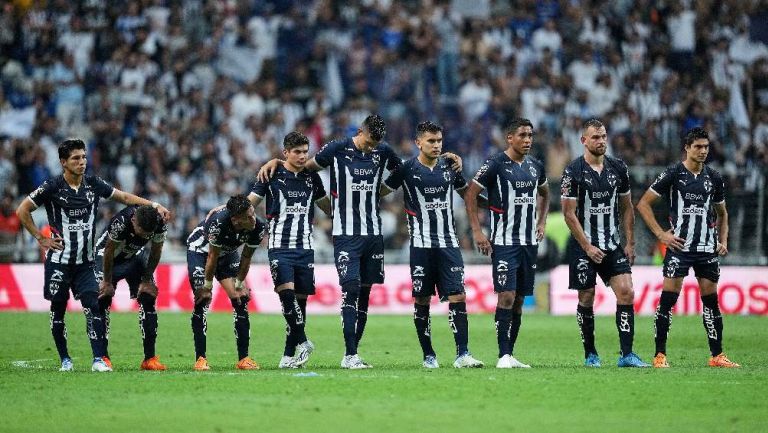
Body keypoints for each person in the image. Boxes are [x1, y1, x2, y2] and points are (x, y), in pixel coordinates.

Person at [258, 114, 462, 369]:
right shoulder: (336, 148)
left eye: (376, 144)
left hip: (373, 235)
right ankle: (350, 353)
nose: (372, 148)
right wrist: (278, 161)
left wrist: (442, 160)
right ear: (360, 132)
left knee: (364, 293)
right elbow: (303, 167)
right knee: (350, 289)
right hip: (345, 234)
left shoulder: (383, 151)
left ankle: (350, 354)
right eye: (369, 142)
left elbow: (411, 169)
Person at [15, 138, 170, 372]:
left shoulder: (93, 184)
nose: (82, 162)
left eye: (84, 157)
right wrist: (41, 237)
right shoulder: (52, 186)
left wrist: (154, 204)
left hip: (96, 261)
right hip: (76, 260)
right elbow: (22, 209)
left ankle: (123, 359)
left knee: (115, 304)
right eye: (76, 158)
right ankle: (82, 358)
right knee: (76, 307)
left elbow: (125, 197)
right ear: (63, 162)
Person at [380, 121, 484, 369]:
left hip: (448, 243)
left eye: (439, 141)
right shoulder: (406, 169)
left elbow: (467, 195)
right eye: (431, 141)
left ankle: (463, 354)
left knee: (458, 295)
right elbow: (380, 191)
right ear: (418, 143)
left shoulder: (450, 166)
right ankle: (429, 356)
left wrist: (495, 205)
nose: (437, 145)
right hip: (420, 246)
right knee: (422, 300)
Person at [636, 127, 739, 368]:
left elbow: (723, 213)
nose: (703, 151)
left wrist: (723, 241)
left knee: (711, 302)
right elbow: (643, 204)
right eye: (698, 147)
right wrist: (662, 234)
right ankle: (659, 355)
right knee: (668, 301)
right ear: (687, 148)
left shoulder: (713, 177)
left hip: (706, 248)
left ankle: (717, 356)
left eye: (706, 147)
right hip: (679, 247)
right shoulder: (673, 173)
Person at [560, 119, 649, 368]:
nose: (601, 141)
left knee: (627, 292)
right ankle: (591, 354)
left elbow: (627, 207)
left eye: (603, 136)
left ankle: (627, 354)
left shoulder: (619, 168)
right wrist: (587, 246)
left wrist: (630, 243)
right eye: (595, 137)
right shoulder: (573, 171)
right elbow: (569, 213)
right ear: (584, 141)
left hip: (611, 244)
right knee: (586, 296)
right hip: (583, 246)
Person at [465, 118, 550, 369]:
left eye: (530, 135)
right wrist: (478, 232)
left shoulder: (535, 166)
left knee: (520, 299)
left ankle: (510, 354)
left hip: (528, 243)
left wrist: (541, 222)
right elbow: (471, 194)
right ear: (509, 138)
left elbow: (545, 193)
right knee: (506, 295)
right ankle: (502, 355)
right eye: (522, 135)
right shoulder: (495, 164)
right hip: (504, 242)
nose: (527, 140)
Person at [248, 131, 331, 368]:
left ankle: (287, 356)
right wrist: (227, 208)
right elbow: (250, 203)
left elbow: (326, 207)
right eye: (297, 152)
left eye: (305, 152)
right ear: (285, 153)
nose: (303, 156)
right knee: (286, 297)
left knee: (300, 303)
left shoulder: (312, 178)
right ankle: (303, 342)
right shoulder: (271, 173)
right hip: (279, 247)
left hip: (305, 247)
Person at [186, 194, 266, 371]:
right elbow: (212, 257)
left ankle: (244, 359)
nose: (254, 219)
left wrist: (239, 283)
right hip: (201, 251)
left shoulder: (258, 226)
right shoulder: (218, 224)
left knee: (240, 299)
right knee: (202, 299)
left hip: (227, 253)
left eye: (253, 213)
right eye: (249, 217)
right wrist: (207, 286)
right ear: (236, 220)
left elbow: (246, 257)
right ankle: (200, 359)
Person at [94, 204, 167, 370]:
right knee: (102, 300)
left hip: (134, 257)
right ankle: (103, 357)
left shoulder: (160, 223)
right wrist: (106, 281)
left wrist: (147, 279)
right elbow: (108, 251)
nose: (144, 236)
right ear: (134, 220)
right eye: (142, 231)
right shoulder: (121, 222)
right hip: (107, 258)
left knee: (148, 298)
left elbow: (156, 251)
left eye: (148, 233)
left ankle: (149, 359)